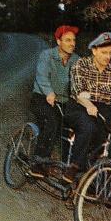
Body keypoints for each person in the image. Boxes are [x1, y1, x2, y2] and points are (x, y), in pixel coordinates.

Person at [63, 31, 111, 182]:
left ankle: (106, 189)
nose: (108, 56)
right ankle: (74, 166)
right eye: (104, 52)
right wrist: (88, 104)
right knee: (87, 127)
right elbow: (78, 91)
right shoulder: (81, 65)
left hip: (101, 112)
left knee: (107, 143)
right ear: (94, 50)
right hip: (79, 107)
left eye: (110, 53)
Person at [30, 25, 80, 176]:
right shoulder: (47, 55)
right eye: (68, 40)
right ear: (58, 41)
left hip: (63, 102)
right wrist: (49, 92)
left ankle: (69, 168)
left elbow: (80, 81)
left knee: (75, 126)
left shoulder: (77, 60)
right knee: (52, 121)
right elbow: (42, 76)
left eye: (74, 40)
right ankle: (38, 162)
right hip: (42, 98)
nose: (72, 43)